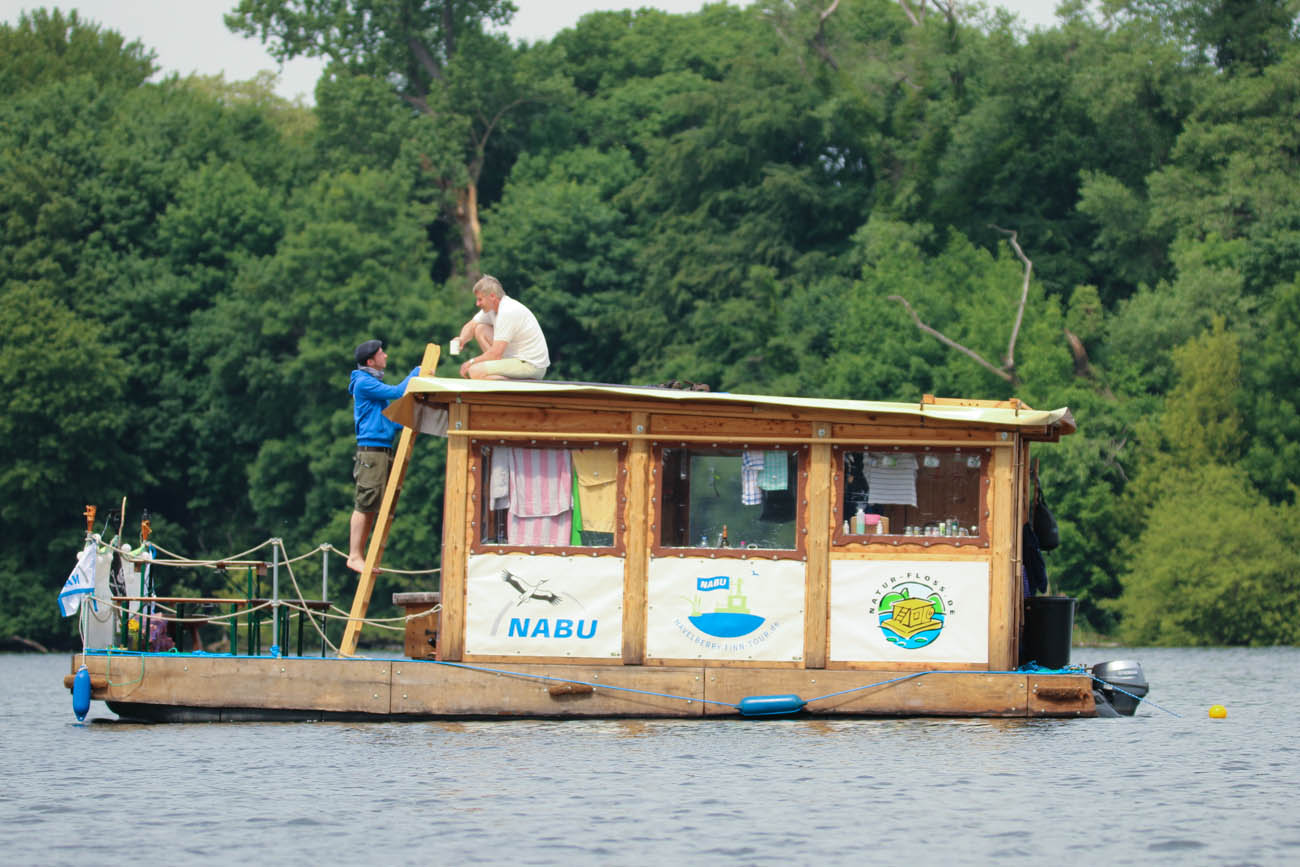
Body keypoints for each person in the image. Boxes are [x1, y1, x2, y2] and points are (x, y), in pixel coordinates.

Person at [348, 339, 420, 573]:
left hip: (381, 448)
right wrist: (418, 372)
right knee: (365, 502)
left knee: (372, 504)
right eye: (381, 353)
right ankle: (354, 555)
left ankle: (360, 555)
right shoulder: (364, 383)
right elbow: (398, 392)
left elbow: (388, 417)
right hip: (371, 451)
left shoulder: (372, 383)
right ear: (370, 361)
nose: (386, 356)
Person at [455, 275, 550, 380]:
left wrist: (470, 362)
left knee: (474, 371)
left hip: (532, 365)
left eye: (480, 299)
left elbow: (495, 354)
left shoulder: (507, 311)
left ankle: (518, 383)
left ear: (492, 296)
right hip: (515, 360)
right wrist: (461, 339)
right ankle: (504, 377)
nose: (477, 304)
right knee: (480, 329)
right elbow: (471, 325)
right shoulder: (491, 309)